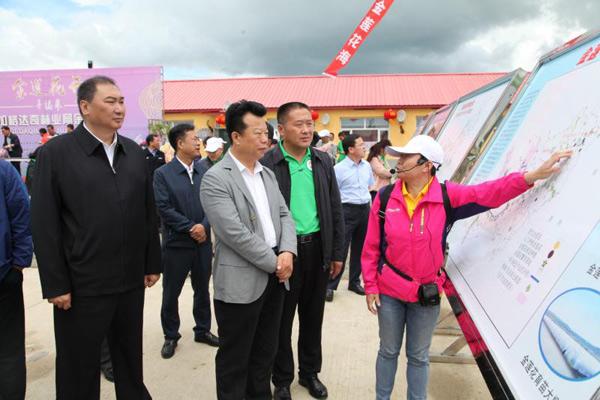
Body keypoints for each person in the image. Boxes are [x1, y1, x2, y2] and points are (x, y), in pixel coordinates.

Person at [361, 135, 572, 400]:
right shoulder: (385, 197)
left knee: (418, 356)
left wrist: (531, 176)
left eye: (406, 156)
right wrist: (370, 285)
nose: (399, 161)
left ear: (427, 165)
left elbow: (489, 193)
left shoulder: (447, 196)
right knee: (388, 351)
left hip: (425, 296)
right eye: (400, 156)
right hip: (390, 292)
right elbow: (371, 247)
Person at [31, 75, 162, 400]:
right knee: (79, 367)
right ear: (85, 107)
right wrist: (56, 284)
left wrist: (151, 261)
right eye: (110, 101)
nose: (119, 108)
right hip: (81, 284)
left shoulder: (133, 152)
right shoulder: (57, 154)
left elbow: (147, 213)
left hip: (129, 279)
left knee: (129, 361)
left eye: (121, 101)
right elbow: (44, 222)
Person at [200, 100, 296, 400]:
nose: (265, 138)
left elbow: (284, 215)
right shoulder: (216, 178)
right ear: (236, 137)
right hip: (242, 281)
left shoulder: (266, 174)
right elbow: (234, 233)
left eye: (266, 132)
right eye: (257, 132)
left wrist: (288, 252)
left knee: (265, 352)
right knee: (235, 358)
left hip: (275, 277)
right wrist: (275, 262)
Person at [261, 102, 344, 400]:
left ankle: (309, 373)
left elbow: (335, 207)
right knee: (281, 321)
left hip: (317, 249)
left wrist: (337, 253)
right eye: (298, 124)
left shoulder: (322, 161)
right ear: (281, 130)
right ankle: (281, 378)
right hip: (285, 253)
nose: (307, 129)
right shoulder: (268, 163)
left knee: (313, 317)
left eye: (309, 123)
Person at [153, 123, 219, 359]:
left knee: (202, 289)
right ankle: (171, 335)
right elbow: (164, 208)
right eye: (194, 139)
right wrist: (191, 227)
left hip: (201, 245)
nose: (198, 142)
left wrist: (204, 225)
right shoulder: (163, 174)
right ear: (180, 143)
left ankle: (202, 329)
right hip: (176, 245)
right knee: (171, 291)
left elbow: (213, 203)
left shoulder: (204, 172)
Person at [0, 159, 33, 400]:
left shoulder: (3, 171)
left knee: (8, 351)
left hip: (4, 276)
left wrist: (18, 264)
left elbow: (21, 214)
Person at [327, 133, 373, 301]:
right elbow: (333, 193)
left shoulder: (367, 166)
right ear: (350, 149)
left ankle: (354, 282)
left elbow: (369, 185)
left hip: (364, 209)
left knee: (361, 248)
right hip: (346, 210)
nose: (364, 147)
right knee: (341, 247)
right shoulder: (338, 169)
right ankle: (330, 285)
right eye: (361, 145)